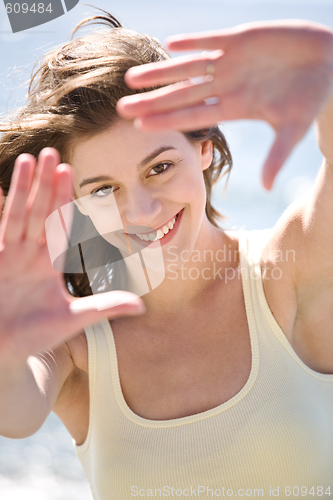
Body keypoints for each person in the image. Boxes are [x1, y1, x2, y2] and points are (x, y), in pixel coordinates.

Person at [0, 7, 333, 499]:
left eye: (159, 167)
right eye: (102, 190)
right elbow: (16, 413)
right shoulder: (76, 339)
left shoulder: (289, 271)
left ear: (204, 148)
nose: (142, 209)